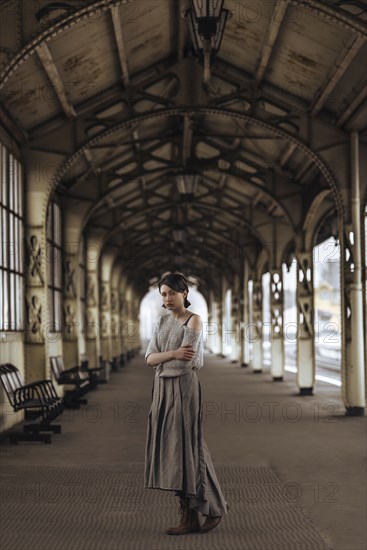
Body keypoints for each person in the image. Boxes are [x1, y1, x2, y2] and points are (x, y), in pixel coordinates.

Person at [144, 272, 229, 535]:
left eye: (172, 293)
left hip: (183, 387)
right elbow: (149, 358)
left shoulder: (194, 321)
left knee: (189, 445)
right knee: (173, 449)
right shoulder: (161, 322)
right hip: (162, 389)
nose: (167, 298)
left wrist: (164, 360)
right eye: (164, 294)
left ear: (185, 294)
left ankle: (212, 507)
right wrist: (172, 353)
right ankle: (189, 515)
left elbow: (185, 364)